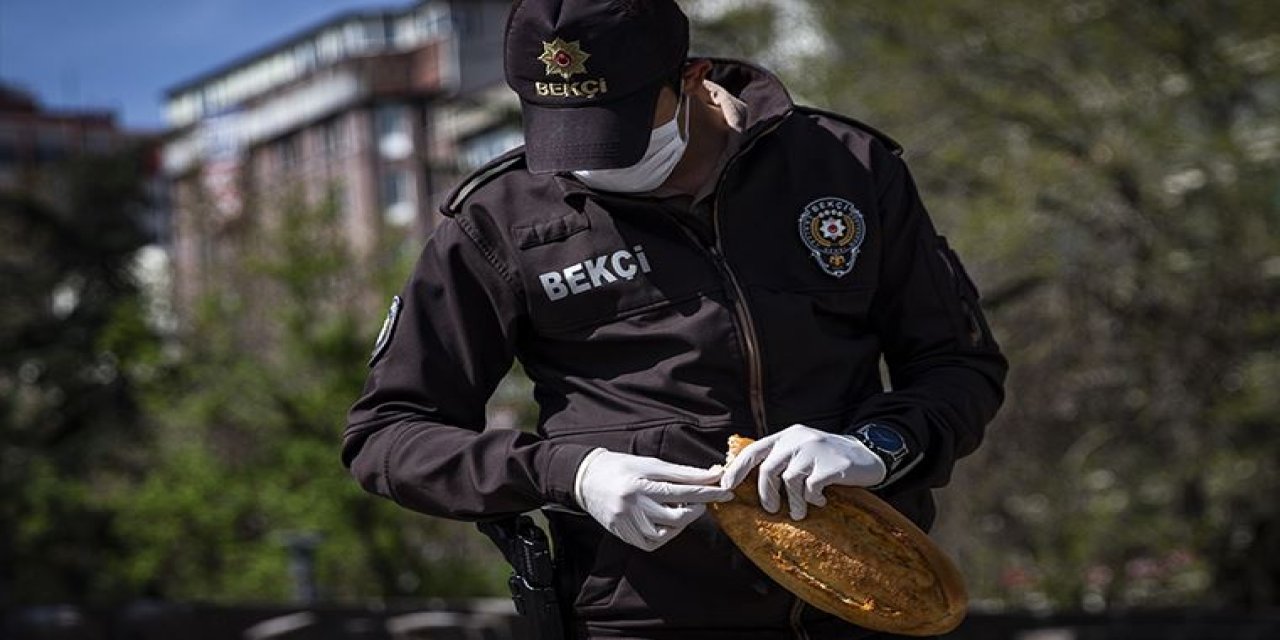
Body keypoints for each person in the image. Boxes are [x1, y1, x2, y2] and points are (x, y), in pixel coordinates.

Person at [342, 0, 1008, 638]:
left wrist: (877, 447)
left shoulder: (846, 166)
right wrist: (568, 473)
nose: (591, 157)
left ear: (692, 78)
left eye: (618, 128)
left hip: (865, 604)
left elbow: (959, 365)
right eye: (564, 129)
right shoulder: (499, 220)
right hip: (639, 618)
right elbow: (389, 436)